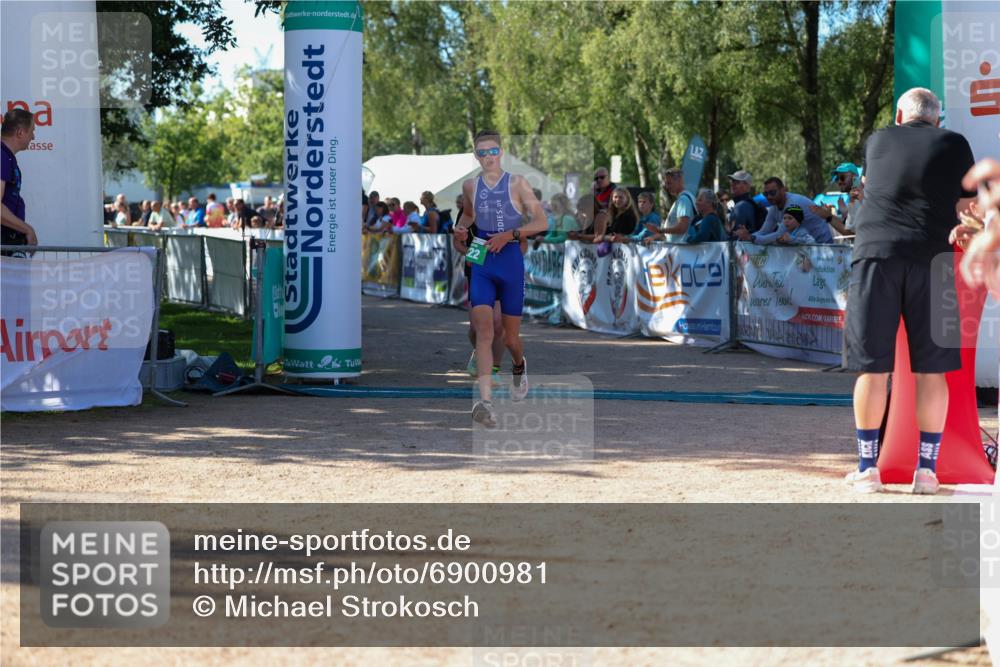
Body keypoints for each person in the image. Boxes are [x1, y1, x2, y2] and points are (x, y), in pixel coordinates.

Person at [843, 87, 977, 495]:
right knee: (932, 370)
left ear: (899, 116)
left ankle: (868, 468)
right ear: (939, 119)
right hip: (936, 260)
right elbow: (969, 211)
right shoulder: (955, 143)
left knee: (873, 367)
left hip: (875, 256)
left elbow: (870, 188)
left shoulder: (878, 140)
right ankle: (927, 471)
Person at [453, 130, 548, 427]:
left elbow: (541, 222)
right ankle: (485, 403)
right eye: (482, 153)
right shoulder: (470, 186)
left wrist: (512, 234)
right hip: (482, 260)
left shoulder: (517, 183)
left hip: (510, 260)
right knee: (484, 332)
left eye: (492, 151)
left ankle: (519, 366)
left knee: (509, 338)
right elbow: (468, 216)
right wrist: (460, 230)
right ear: (476, 156)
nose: (488, 157)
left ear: (501, 152)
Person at [749, 177, 834, 244]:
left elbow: (779, 235)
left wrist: (752, 238)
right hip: (807, 245)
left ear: (783, 190)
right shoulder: (774, 208)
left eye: (772, 193)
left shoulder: (793, 203)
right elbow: (764, 231)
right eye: (765, 194)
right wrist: (748, 237)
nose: (769, 197)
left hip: (823, 245)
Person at [1, 109, 38, 255]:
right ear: (20, 133)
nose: (33, 137)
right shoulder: (2, 156)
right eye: (32, 131)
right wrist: (27, 229)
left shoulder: (6, 157)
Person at [643, 168, 694, 245]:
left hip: (681, 250)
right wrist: (654, 237)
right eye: (666, 183)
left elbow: (682, 228)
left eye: (669, 183)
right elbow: (673, 231)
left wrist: (660, 230)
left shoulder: (683, 200)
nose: (667, 187)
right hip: (677, 249)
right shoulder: (682, 199)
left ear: (679, 181)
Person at [727, 169, 764, 238]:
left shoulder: (741, 206)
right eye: (732, 181)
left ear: (747, 186)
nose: (732, 184)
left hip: (742, 247)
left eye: (737, 182)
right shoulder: (749, 203)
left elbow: (735, 235)